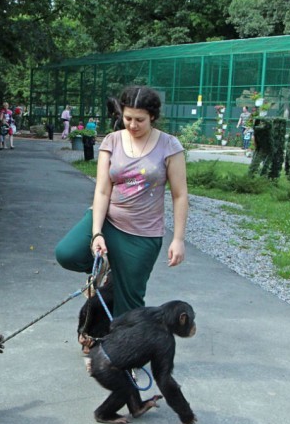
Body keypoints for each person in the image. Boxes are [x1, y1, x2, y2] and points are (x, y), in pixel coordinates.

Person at [55, 85, 189, 317]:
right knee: (67, 253)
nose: (133, 125)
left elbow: (180, 195)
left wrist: (178, 239)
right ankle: (105, 266)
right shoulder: (112, 141)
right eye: (128, 118)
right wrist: (97, 233)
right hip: (109, 220)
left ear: (152, 117)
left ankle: (122, 341)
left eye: (140, 120)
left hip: (142, 234)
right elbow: (102, 191)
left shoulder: (169, 145)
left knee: (129, 307)